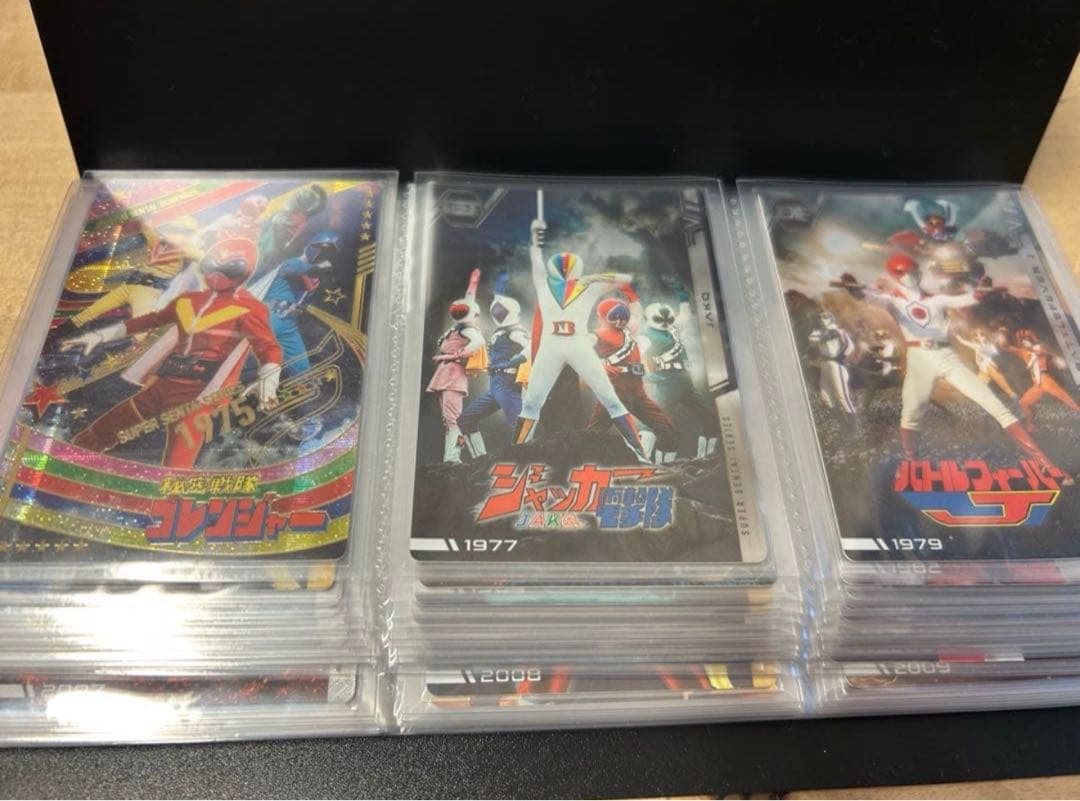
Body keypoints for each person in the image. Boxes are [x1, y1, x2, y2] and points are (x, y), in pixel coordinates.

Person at [834, 253, 1068, 482]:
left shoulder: (936, 299)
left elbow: (965, 299)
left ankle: (1046, 464)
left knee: (997, 407)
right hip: (919, 358)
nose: (911, 276)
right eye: (905, 273)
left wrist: (980, 291)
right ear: (897, 276)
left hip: (945, 356)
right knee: (911, 413)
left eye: (914, 271)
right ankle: (912, 464)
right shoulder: (892, 300)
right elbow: (870, 298)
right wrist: (854, 291)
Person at [61, 239, 281, 468]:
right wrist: (100, 336)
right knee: (100, 431)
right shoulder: (188, 300)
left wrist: (270, 377)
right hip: (163, 383)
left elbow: (267, 346)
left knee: (177, 464)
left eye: (230, 267)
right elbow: (151, 320)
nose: (217, 273)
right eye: (212, 264)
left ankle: (168, 492)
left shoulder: (249, 308)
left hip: (198, 395)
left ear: (244, 272)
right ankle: (68, 463)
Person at [512, 218, 647, 462]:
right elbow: (536, 259)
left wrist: (594, 278)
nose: (565, 271)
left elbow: (624, 278)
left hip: (577, 345)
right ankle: (515, 455)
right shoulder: (544, 284)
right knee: (531, 402)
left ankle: (641, 454)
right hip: (552, 346)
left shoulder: (588, 286)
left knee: (610, 399)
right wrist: (535, 237)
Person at [585, 289, 678, 463]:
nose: (620, 320)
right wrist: (601, 366)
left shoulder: (629, 335)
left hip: (637, 395)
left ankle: (665, 466)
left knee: (667, 429)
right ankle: (582, 467)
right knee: (593, 436)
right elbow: (579, 356)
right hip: (612, 395)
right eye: (615, 316)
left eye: (623, 316)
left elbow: (637, 311)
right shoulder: (595, 336)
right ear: (602, 317)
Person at [639, 280, 720, 459]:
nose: (665, 323)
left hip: (685, 382)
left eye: (668, 319)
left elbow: (684, 315)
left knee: (710, 418)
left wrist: (682, 294)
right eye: (660, 320)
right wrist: (653, 376)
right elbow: (640, 359)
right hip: (666, 383)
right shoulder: (646, 336)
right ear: (647, 319)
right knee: (653, 423)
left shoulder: (673, 329)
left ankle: (705, 458)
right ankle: (641, 460)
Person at [457, 273, 529, 458]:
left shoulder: (516, 332)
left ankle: (529, 460)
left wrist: (512, 362)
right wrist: (499, 285)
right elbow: (498, 300)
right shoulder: (504, 330)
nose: (497, 311)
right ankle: (480, 459)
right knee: (465, 420)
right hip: (496, 385)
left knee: (520, 428)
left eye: (501, 310)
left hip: (507, 384)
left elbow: (532, 347)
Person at [427, 269, 486, 464]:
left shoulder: (467, 328)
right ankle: (461, 456)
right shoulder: (458, 327)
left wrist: (457, 354)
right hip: (445, 372)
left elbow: (478, 342)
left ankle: (454, 457)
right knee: (449, 420)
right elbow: (469, 299)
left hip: (452, 374)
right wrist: (473, 283)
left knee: (453, 419)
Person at [999, 328, 1080, 431]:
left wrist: (1045, 353)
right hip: (1037, 385)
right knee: (1023, 403)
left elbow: (1047, 355)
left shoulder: (1039, 349)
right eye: (1020, 340)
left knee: (1070, 402)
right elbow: (1006, 347)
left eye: (1023, 339)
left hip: (1046, 380)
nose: (1021, 342)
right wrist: (1003, 335)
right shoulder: (1023, 351)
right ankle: (1031, 426)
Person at [807, 310, 858, 429]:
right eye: (821, 317)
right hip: (825, 364)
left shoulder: (839, 331)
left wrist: (841, 356)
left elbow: (850, 346)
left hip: (836, 364)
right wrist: (827, 336)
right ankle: (843, 424)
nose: (822, 320)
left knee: (842, 396)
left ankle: (853, 428)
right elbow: (812, 338)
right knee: (826, 398)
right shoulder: (819, 332)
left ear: (831, 319)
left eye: (825, 317)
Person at [953, 328, 1018, 400]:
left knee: (1001, 382)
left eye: (981, 335)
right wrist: (956, 335)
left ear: (985, 336)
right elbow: (964, 342)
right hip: (982, 368)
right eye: (977, 336)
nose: (979, 338)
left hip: (990, 366)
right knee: (979, 385)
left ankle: (1012, 395)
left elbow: (995, 355)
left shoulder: (990, 346)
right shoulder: (976, 346)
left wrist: (993, 362)